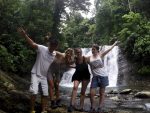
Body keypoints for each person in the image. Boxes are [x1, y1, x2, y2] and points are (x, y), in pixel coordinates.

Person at [17, 27, 59, 113]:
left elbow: (61, 56)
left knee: (45, 94)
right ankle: (32, 110)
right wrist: (25, 35)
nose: (52, 48)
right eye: (51, 46)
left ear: (56, 47)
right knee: (34, 92)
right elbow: (32, 44)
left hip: (43, 76)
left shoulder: (54, 53)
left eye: (54, 47)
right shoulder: (42, 48)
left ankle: (43, 110)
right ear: (49, 44)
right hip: (35, 73)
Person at [85, 41, 119, 113]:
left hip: (103, 76)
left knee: (102, 93)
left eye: (94, 49)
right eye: (92, 49)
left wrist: (115, 44)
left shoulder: (100, 55)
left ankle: (100, 108)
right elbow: (81, 60)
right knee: (91, 93)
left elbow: (109, 49)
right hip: (95, 77)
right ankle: (93, 107)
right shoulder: (88, 58)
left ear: (97, 50)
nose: (92, 50)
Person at [68, 48, 91, 112]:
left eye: (80, 52)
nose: (79, 53)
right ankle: (71, 105)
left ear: (81, 52)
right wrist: (69, 58)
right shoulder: (74, 59)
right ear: (75, 53)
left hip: (85, 75)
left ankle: (81, 107)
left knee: (83, 92)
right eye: (77, 52)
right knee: (75, 87)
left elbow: (92, 63)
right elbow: (69, 63)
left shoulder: (85, 58)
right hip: (77, 74)